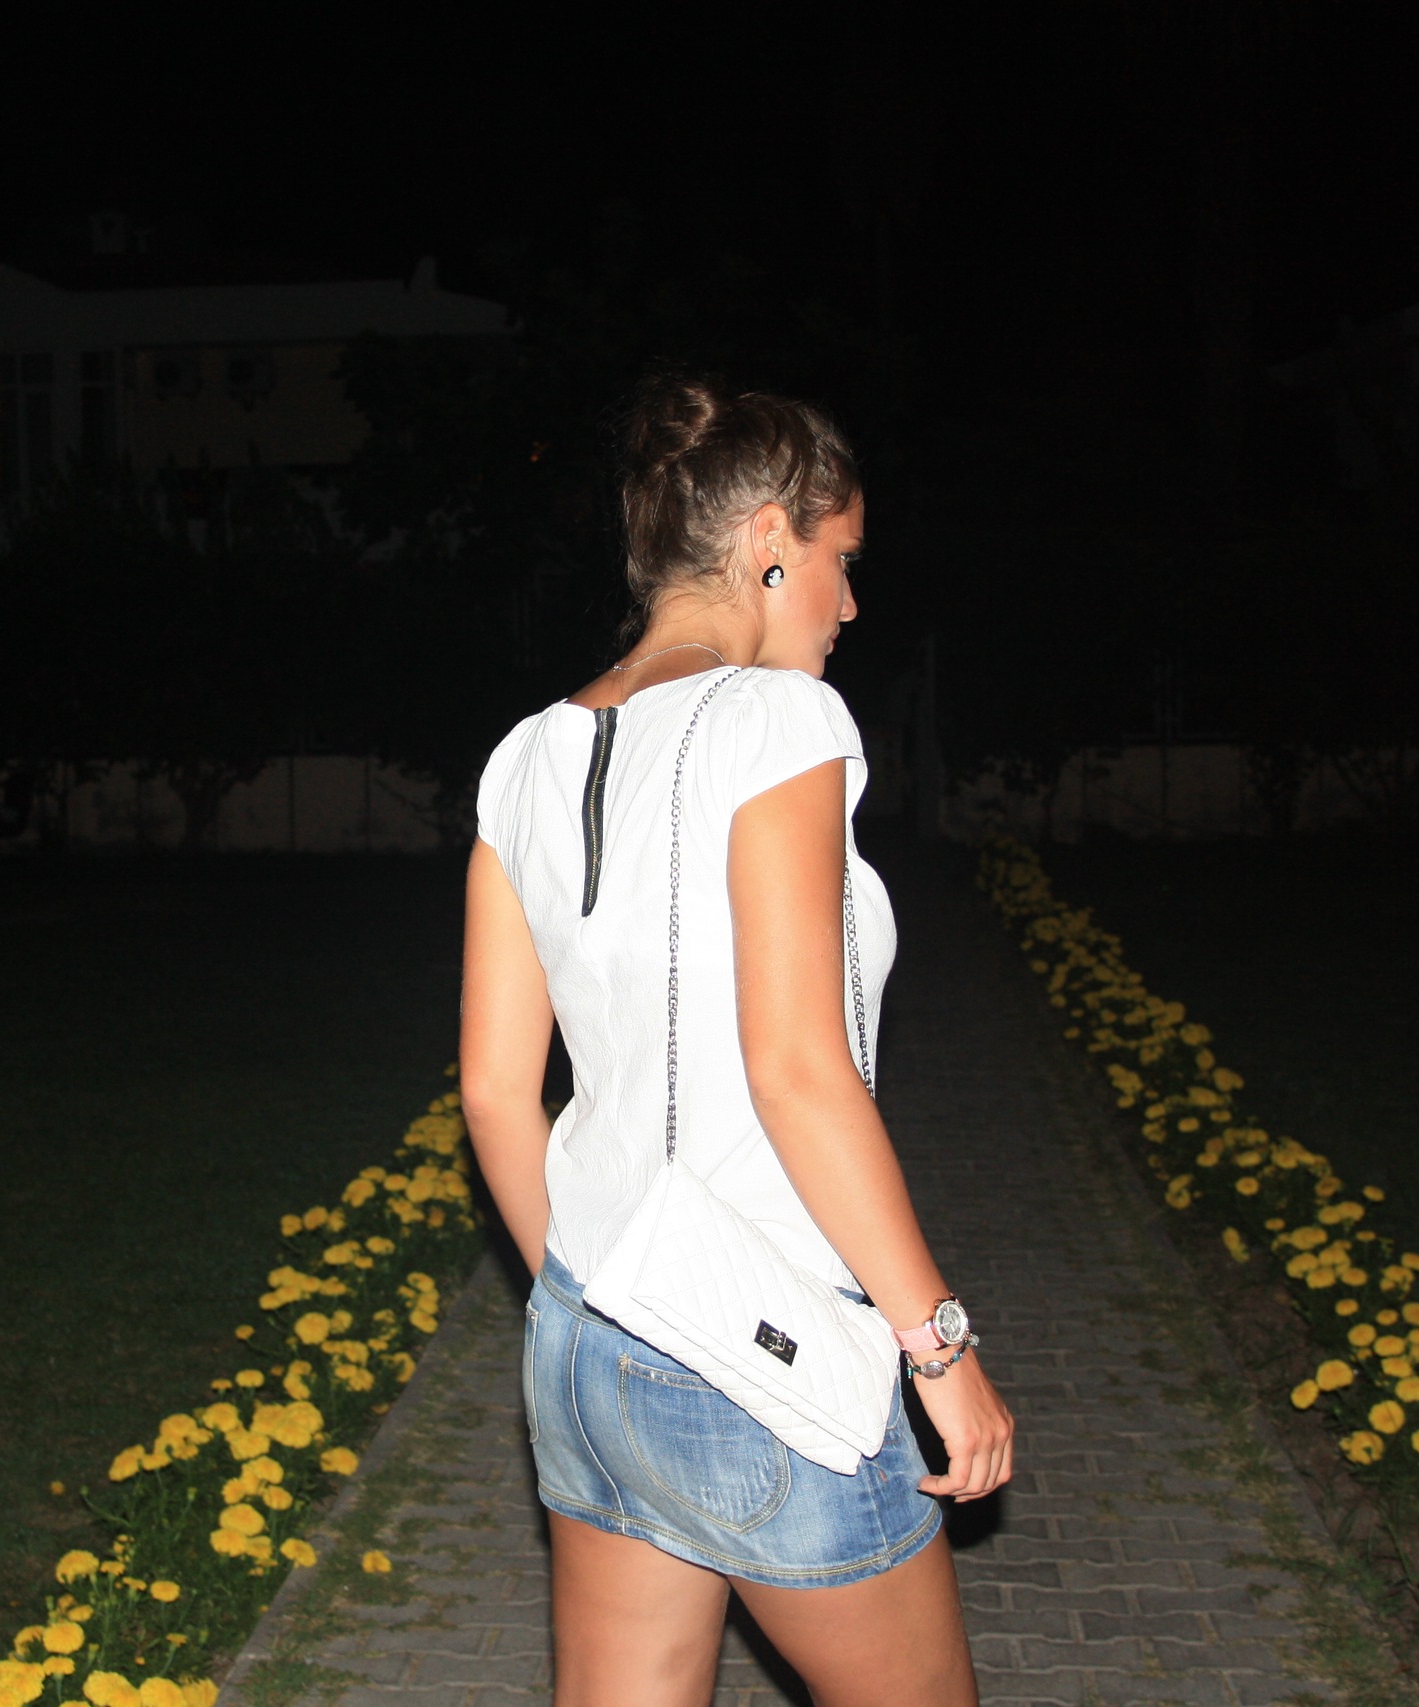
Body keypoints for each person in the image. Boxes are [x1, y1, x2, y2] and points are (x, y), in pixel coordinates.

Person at [459, 374, 1014, 1707]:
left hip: (583, 1333)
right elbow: (797, 1072)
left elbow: (492, 1093)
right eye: (842, 559)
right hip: (762, 1353)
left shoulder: (525, 760)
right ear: (770, 539)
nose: (850, 604)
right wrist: (940, 1350)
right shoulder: (777, 721)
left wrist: (610, 1299)